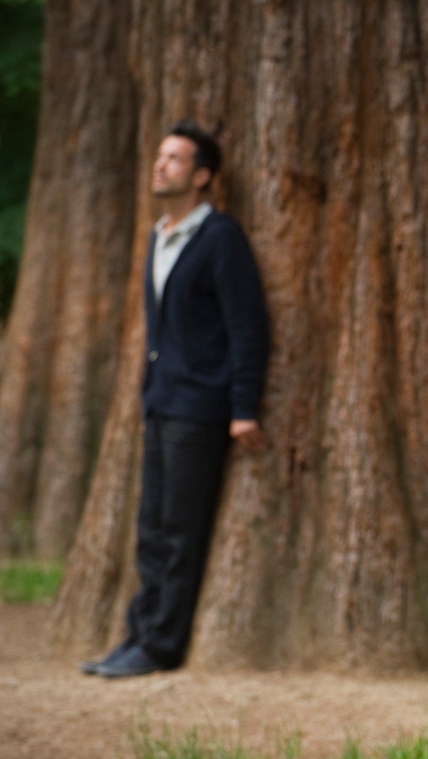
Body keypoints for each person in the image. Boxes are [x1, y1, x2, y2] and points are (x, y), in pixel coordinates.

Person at [81, 121, 269, 678]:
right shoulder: (158, 235)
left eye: (174, 158)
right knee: (150, 528)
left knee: (180, 532)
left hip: (202, 409)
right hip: (161, 405)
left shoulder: (219, 238)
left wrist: (243, 408)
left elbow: (248, 327)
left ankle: (159, 647)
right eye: (160, 156)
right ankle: (138, 634)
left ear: (202, 175)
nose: (160, 165)